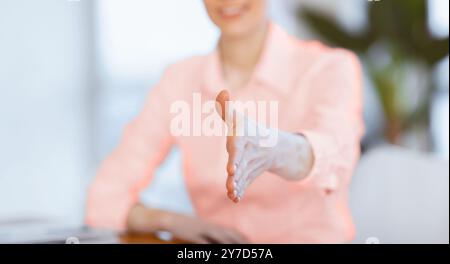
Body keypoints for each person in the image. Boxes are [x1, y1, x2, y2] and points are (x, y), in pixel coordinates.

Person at [86, 0, 364, 243]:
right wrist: (169, 220)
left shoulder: (330, 68)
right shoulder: (179, 81)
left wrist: (275, 150)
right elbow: (104, 198)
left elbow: (336, 157)